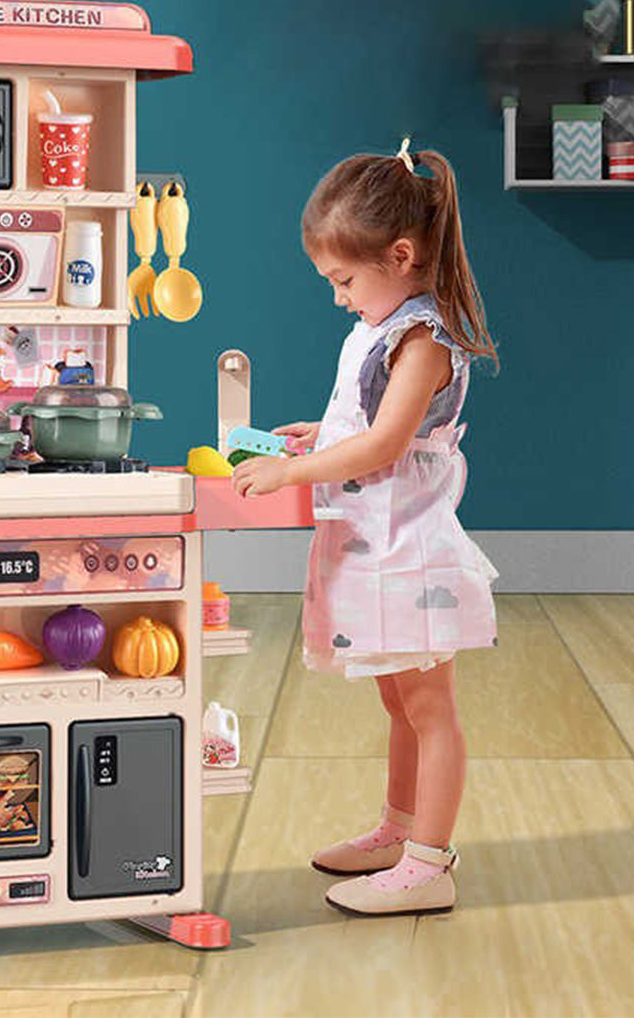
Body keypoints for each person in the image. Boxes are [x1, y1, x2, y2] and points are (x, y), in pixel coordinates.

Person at [231, 139, 499, 916]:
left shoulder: (424, 338)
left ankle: (429, 861)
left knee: (428, 705)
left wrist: (289, 473)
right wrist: (323, 432)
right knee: (398, 701)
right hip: (378, 542)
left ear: (401, 255)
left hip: (410, 551)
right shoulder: (388, 326)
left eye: (345, 280)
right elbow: (377, 423)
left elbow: (386, 444)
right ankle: (398, 829)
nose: (340, 297)